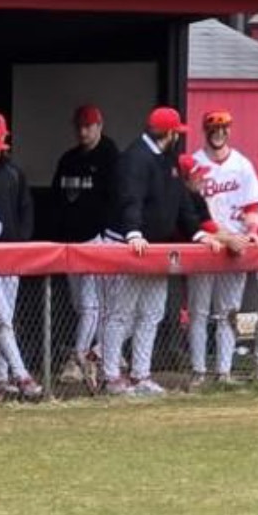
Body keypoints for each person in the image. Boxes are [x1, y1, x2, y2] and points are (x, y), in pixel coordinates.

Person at [101, 106, 203, 397]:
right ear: (168, 133)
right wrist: (133, 231)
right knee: (120, 313)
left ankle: (140, 374)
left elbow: (180, 201)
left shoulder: (165, 159)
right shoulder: (135, 158)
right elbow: (129, 198)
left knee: (152, 312)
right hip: (128, 245)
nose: (178, 138)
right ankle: (111, 376)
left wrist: (197, 232)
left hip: (155, 247)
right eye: (176, 133)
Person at [187, 110, 258, 387]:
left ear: (230, 130)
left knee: (228, 312)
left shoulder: (241, 164)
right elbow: (189, 212)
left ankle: (224, 371)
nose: (219, 132)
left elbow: (252, 207)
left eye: (224, 128)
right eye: (213, 128)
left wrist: (252, 232)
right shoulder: (194, 163)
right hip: (206, 245)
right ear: (204, 130)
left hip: (235, 246)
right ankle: (198, 371)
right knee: (199, 311)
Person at [49, 104, 119, 388]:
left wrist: (110, 236)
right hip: (71, 241)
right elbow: (57, 198)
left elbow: (116, 199)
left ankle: (80, 358)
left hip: (97, 239)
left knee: (93, 306)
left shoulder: (110, 155)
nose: (83, 131)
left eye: (89, 126)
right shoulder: (68, 159)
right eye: (80, 126)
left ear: (99, 125)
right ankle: (101, 352)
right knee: (82, 305)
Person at [0, 113, 44, 401]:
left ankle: (3, 376)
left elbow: (25, 209)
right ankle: (17, 375)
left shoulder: (13, 172)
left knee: (6, 317)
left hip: (10, 253)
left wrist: (21, 244)